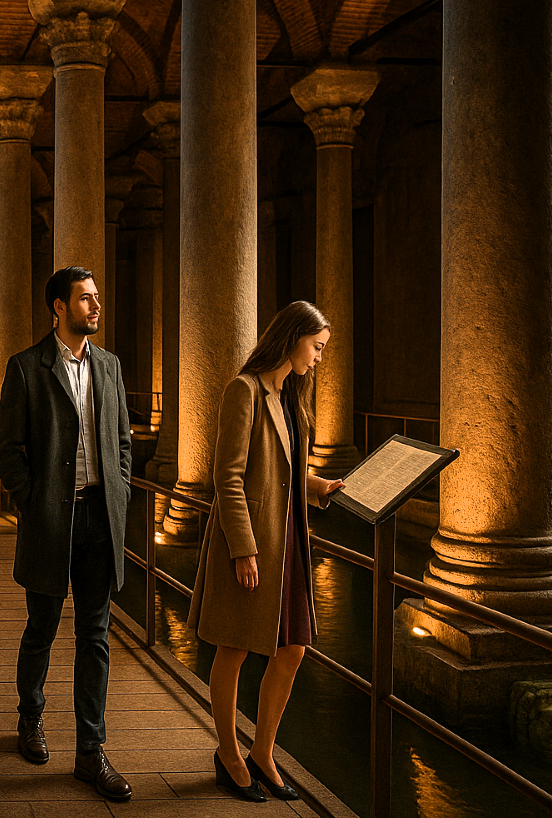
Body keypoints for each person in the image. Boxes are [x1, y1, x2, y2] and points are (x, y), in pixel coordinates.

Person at [187, 300, 345, 803]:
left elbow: (284, 471)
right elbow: (228, 477)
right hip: (253, 542)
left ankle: (263, 752)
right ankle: (229, 754)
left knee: (294, 648)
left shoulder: (286, 394)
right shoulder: (245, 389)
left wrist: (318, 487)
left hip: (289, 540)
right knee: (233, 648)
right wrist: (243, 550)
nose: (319, 357)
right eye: (316, 347)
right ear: (292, 337)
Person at [0, 266, 134, 802]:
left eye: (97, 298)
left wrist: (118, 488)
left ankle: (90, 753)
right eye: (84, 299)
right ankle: (31, 717)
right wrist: (34, 500)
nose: (95, 307)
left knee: (95, 636)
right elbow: (6, 449)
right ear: (58, 307)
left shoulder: (111, 367)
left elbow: (122, 441)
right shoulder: (28, 367)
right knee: (41, 628)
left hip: (100, 517)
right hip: (52, 519)